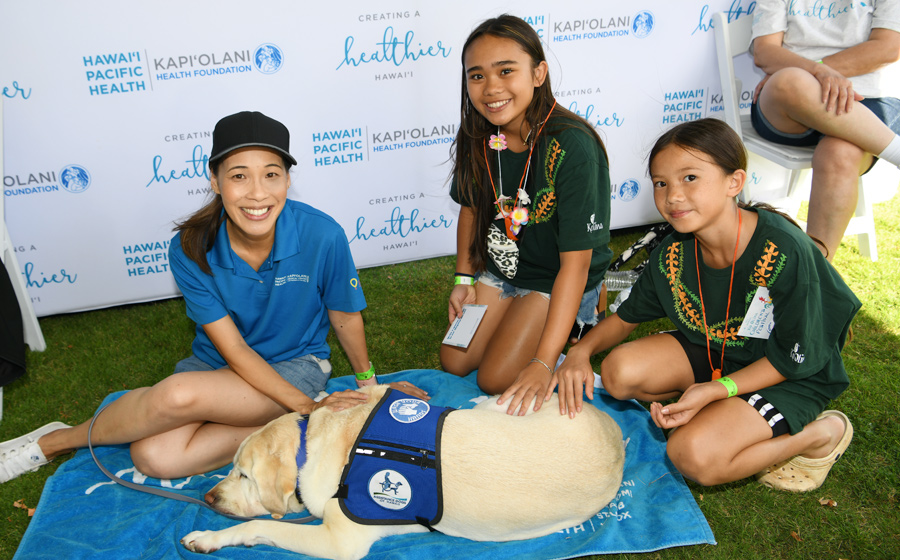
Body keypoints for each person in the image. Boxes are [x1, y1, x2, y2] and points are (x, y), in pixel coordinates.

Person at [0, 111, 426, 484]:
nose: (258, 193)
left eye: (271, 174)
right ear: (215, 180)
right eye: (239, 175)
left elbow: (345, 318)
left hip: (295, 367)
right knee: (154, 456)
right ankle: (307, 423)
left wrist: (368, 388)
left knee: (172, 403)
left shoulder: (322, 233)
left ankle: (53, 442)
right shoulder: (191, 245)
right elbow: (235, 350)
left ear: (288, 179)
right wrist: (309, 408)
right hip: (219, 365)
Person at [550, 119, 859, 491]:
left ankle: (819, 435)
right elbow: (626, 318)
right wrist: (581, 352)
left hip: (791, 372)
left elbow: (791, 358)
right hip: (719, 349)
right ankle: (727, 411)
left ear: (735, 182)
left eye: (690, 178)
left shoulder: (783, 250)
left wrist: (718, 389)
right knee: (618, 373)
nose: (673, 195)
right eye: (661, 183)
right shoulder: (673, 252)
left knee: (692, 456)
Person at [440, 14, 613, 415]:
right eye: (477, 76)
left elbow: (575, 263)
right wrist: (463, 279)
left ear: (538, 74)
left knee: (496, 377)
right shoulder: (479, 133)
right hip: (501, 271)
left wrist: (541, 363)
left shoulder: (574, 147)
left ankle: (586, 310)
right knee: (455, 360)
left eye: (506, 71)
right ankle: (521, 317)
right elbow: (469, 208)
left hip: (556, 276)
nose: (491, 88)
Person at [750, 0, 900, 261]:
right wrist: (815, 72)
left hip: (866, 100)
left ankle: (816, 272)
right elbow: (765, 52)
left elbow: (888, 48)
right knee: (790, 80)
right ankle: (895, 150)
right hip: (791, 102)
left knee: (840, 154)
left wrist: (815, 68)